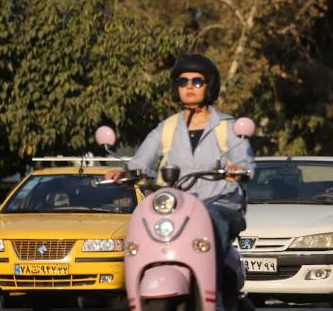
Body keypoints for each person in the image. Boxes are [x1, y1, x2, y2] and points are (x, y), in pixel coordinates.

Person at [104, 53, 254, 310]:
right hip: (175, 207)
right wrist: (123, 172)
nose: (189, 87)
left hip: (220, 202)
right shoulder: (167, 127)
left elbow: (245, 161)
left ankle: (213, 300)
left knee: (212, 219)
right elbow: (141, 161)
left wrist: (238, 169)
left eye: (197, 81)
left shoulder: (228, 127)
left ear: (210, 86)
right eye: (183, 81)